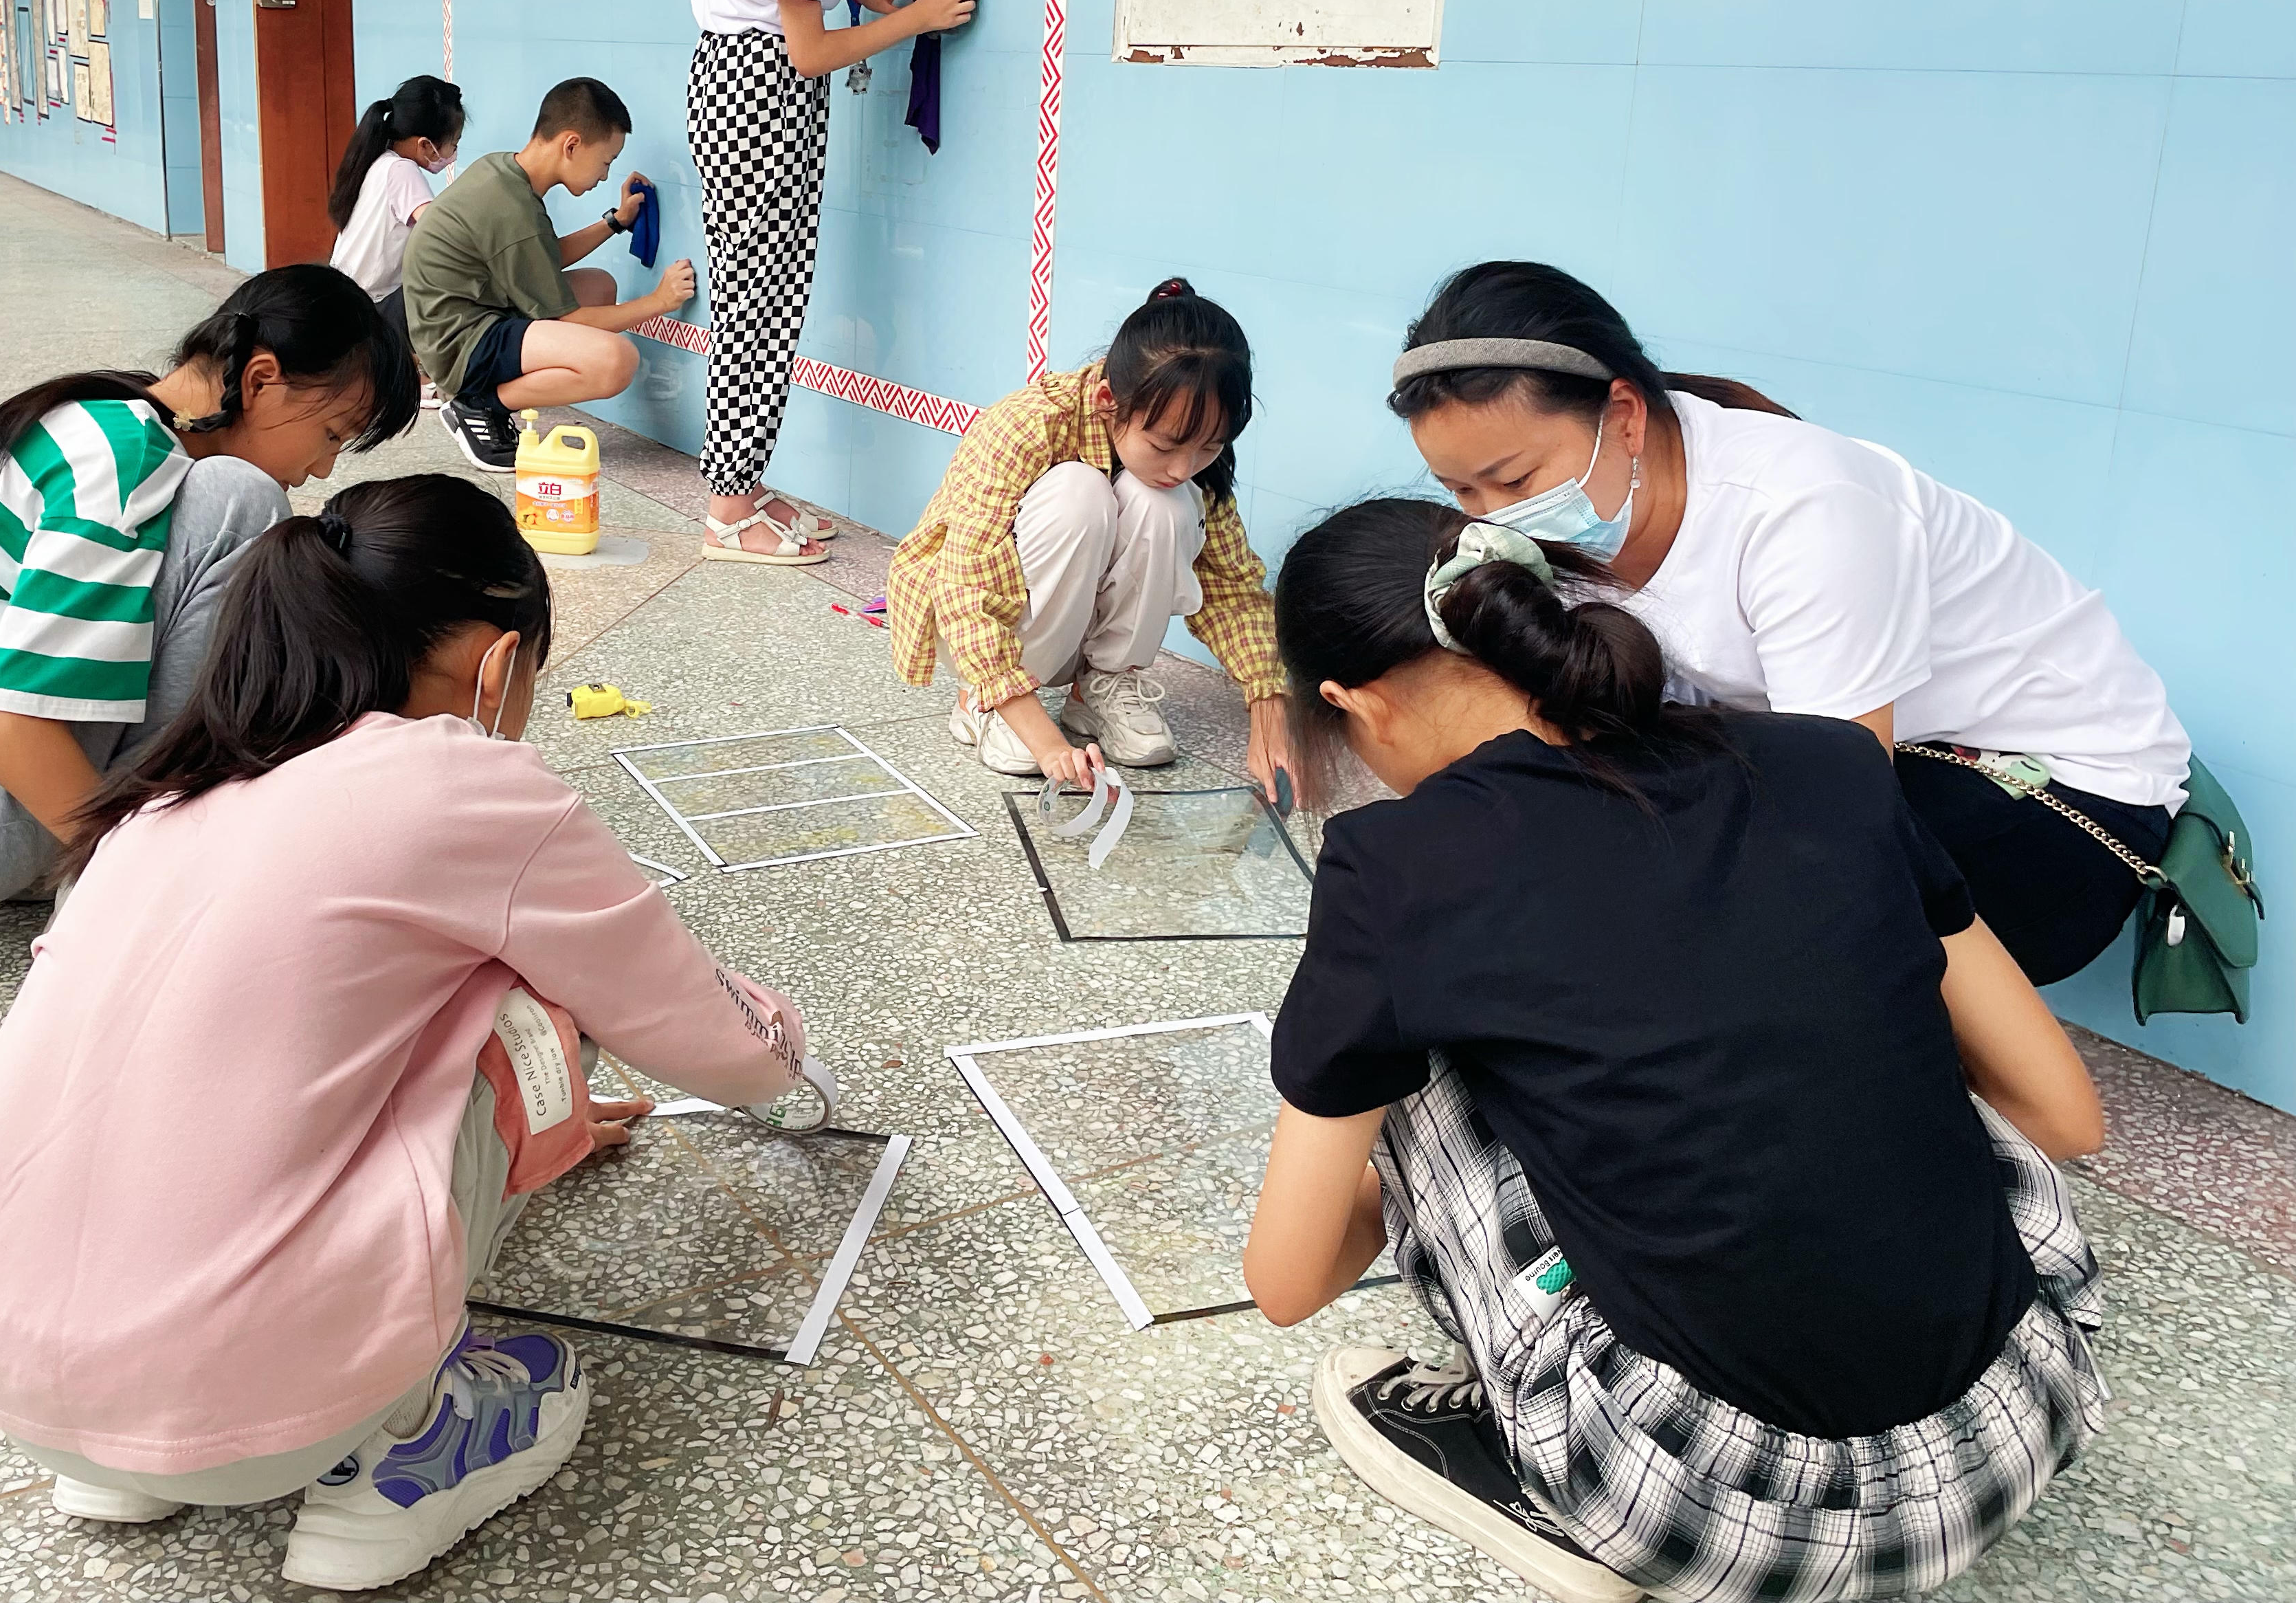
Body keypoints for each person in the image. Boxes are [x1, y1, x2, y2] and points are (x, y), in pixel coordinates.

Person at [0, 474, 817, 1593]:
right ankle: (414, 1442)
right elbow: (706, 1042)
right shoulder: (462, 781)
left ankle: (133, 1457)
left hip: (10, 1367)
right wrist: (777, 1045)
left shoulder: (172, 789)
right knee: (535, 995)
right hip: (256, 1400)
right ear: (496, 661)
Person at [1247, 500, 2108, 1603]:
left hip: (1700, 1503)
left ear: (1353, 701)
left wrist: (1417, 1182)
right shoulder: (1831, 764)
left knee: (1409, 1050)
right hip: (2020, 1418)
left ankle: (1528, 1489)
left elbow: (1285, 1282)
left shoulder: (1397, 867)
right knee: (1844, 1033)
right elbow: (2065, 1117)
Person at [1387, 261, 2187, 988]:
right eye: (1462, 492)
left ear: (1624, 417)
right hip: (1888, 757)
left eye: (1515, 479)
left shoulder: (1805, 507)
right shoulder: (1592, 514)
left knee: (1737, 911)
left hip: (2057, 803)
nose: (1500, 519)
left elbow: (1836, 805)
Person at [0, 265, 416, 914]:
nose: (321, 468)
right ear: (260, 380)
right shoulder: (123, 466)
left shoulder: (111, 413)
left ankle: (92, 844)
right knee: (241, 505)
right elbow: (7, 731)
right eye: (332, 434)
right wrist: (143, 894)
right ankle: (106, 879)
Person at [684, 0, 980, 564]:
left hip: (756, 90)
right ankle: (729, 512)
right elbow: (807, 50)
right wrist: (917, 17)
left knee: (770, 299)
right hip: (758, 94)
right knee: (757, 306)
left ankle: (741, 489)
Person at [887, 278, 1295, 794]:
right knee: (1080, 492)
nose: (1183, 466)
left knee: (1164, 502)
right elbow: (964, 586)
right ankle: (985, 704)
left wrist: (1268, 710)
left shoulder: (1186, 462)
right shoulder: (1027, 425)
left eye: (1209, 448)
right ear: (1108, 401)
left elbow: (1231, 587)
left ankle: (1102, 687)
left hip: (1075, 636)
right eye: (1166, 444)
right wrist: (1047, 745)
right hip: (979, 633)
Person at [402, 76, 695, 474]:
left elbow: (538, 255)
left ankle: (484, 397)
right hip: (461, 345)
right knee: (616, 361)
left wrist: (616, 222)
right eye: (606, 161)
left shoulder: (504, 171)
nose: (605, 175)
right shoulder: (510, 206)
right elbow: (568, 319)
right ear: (572, 145)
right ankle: (479, 404)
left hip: (468, 316)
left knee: (598, 286)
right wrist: (658, 303)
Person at [326, 72, 463, 364]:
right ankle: (427, 369)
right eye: (454, 143)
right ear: (426, 145)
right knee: (459, 275)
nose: (454, 153)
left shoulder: (379, 162)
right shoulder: (402, 171)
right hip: (374, 309)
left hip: (347, 302)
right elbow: (442, 233)